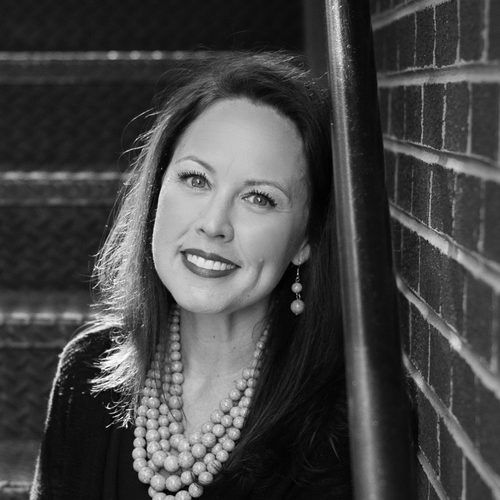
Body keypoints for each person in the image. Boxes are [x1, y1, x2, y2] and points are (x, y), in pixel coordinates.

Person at [30, 52, 352, 500]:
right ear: (157, 190)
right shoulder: (88, 369)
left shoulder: (343, 419)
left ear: (305, 238)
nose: (214, 224)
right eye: (197, 180)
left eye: (259, 198)